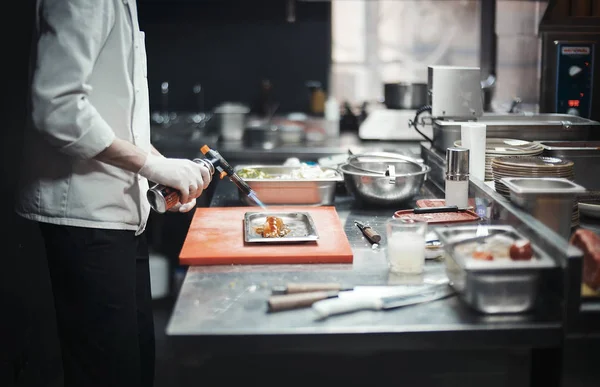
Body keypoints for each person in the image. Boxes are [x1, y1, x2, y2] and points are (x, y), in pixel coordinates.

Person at [16, 1, 211, 386]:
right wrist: (150, 166)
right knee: (108, 374)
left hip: (120, 218)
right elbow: (57, 107)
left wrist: (162, 168)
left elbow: (115, 116)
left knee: (136, 366)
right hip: (83, 218)